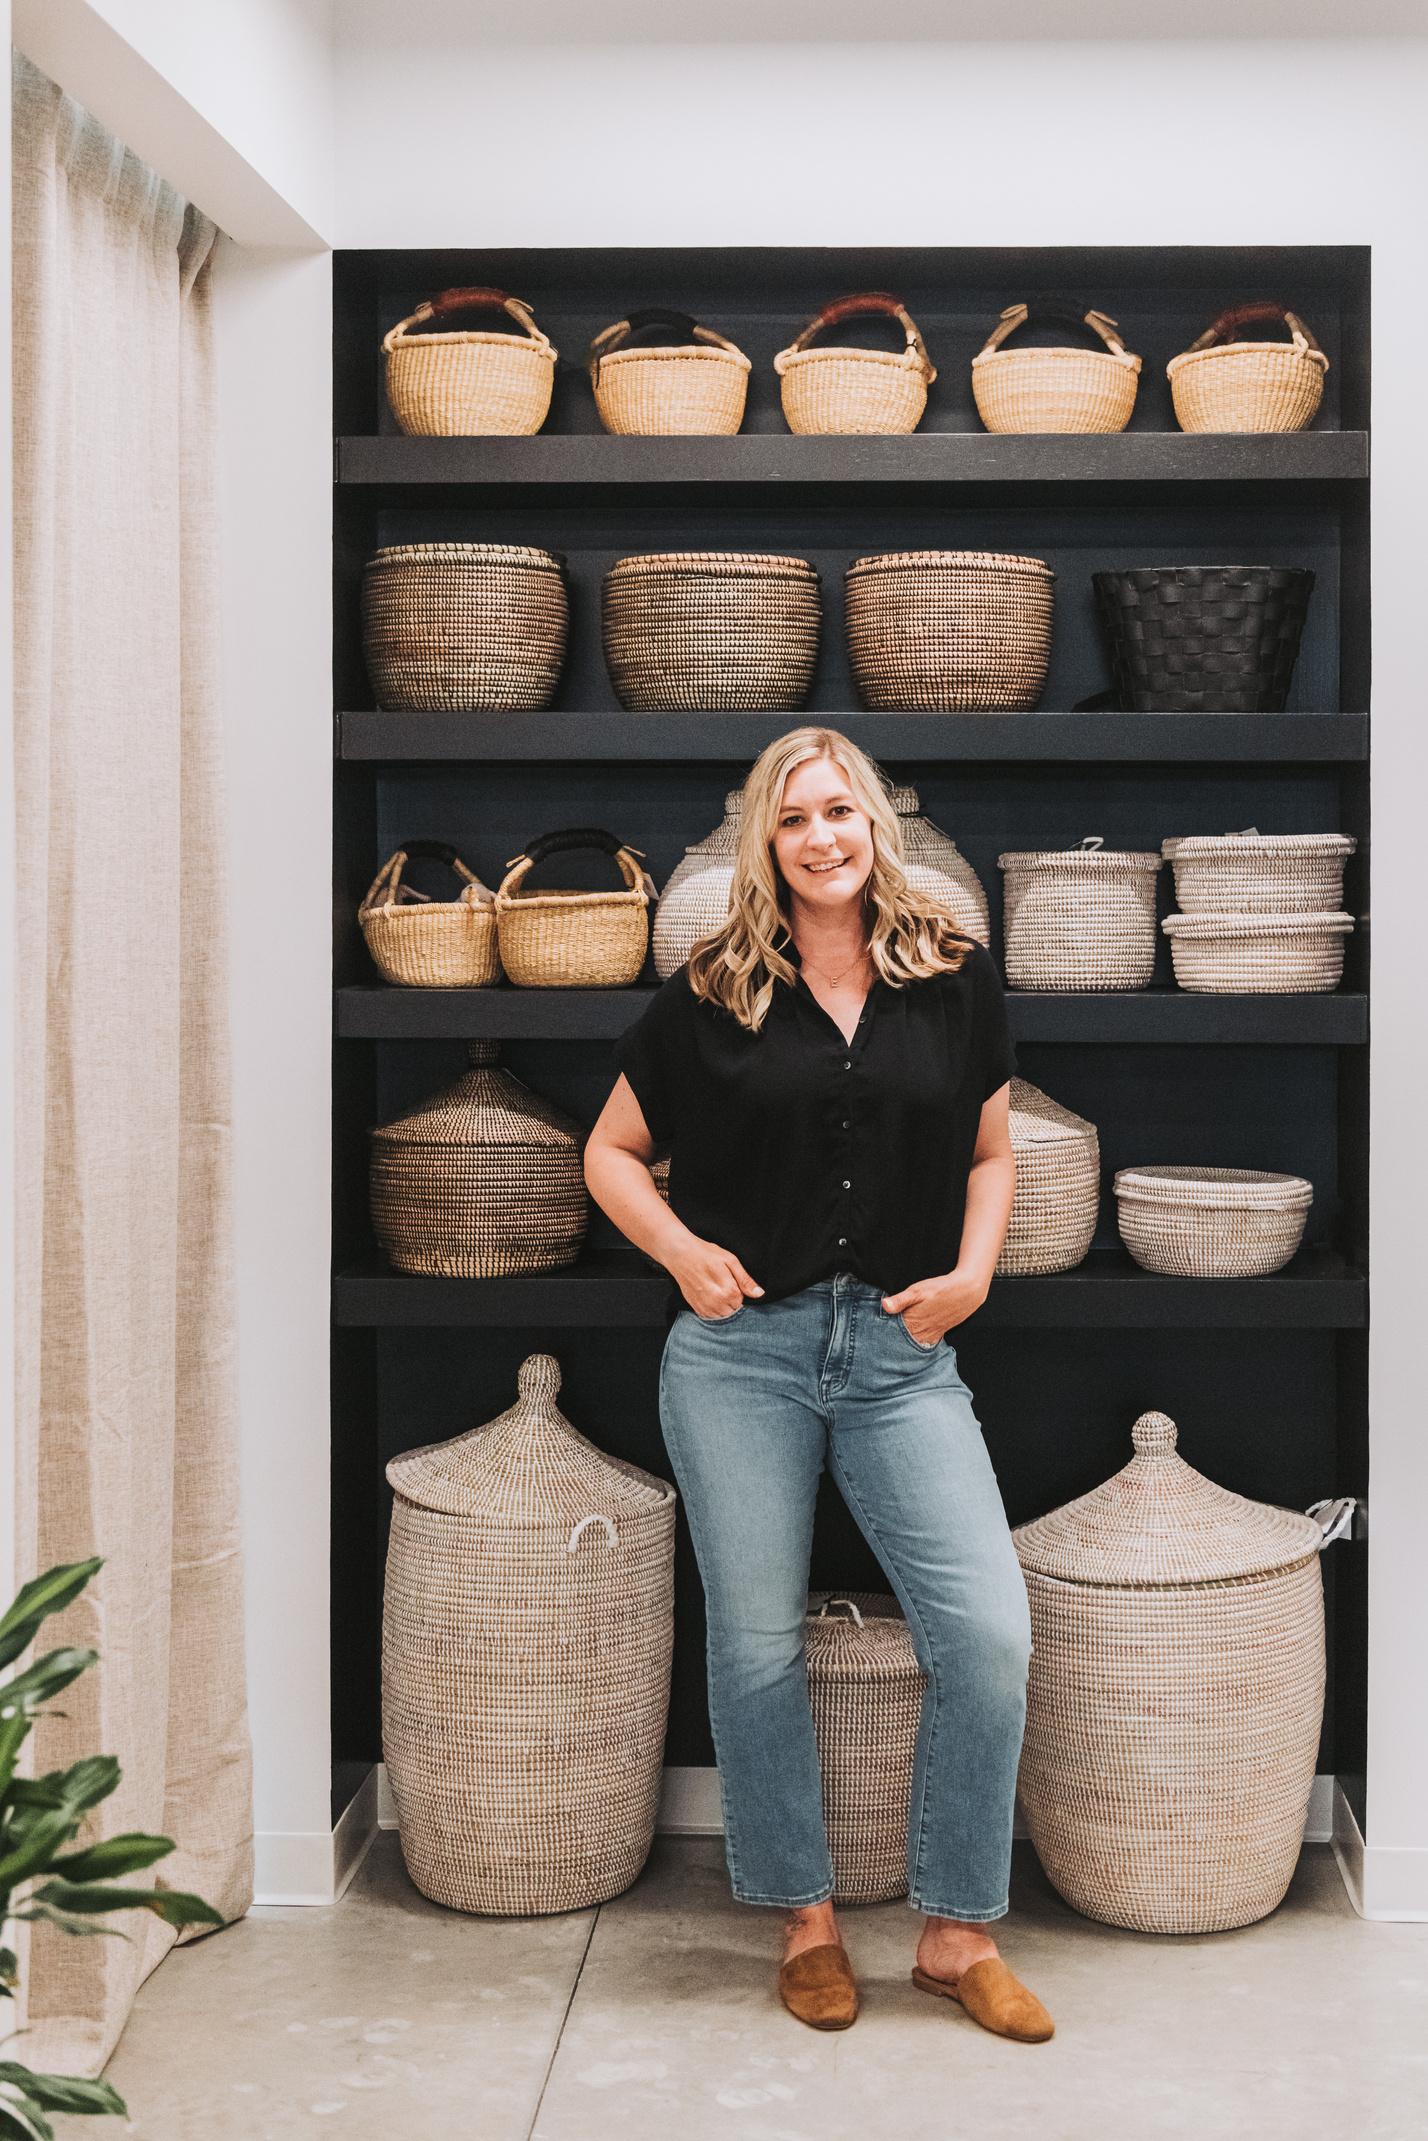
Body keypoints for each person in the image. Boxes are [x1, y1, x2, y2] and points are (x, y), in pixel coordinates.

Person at [583, 726, 1052, 2044]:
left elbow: (992, 1153)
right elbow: (610, 1152)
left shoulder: (953, 975)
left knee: (989, 1635)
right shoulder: (712, 990)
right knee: (755, 1644)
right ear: (765, 841)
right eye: (793, 819)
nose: (821, 837)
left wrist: (973, 1275)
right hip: (742, 1358)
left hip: (904, 1359)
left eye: (839, 810)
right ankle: (805, 1919)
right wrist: (681, 1253)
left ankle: (958, 1936)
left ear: (875, 825)